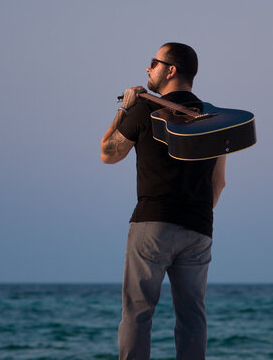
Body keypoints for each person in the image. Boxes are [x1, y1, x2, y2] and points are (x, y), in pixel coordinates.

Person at [100, 42, 226, 360]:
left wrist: (124, 108)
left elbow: (107, 153)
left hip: (152, 224)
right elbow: (219, 182)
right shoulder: (213, 117)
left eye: (153, 62)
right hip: (198, 229)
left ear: (170, 70)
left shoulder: (145, 108)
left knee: (138, 315)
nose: (147, 68)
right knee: (192, 318)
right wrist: (193, 215)